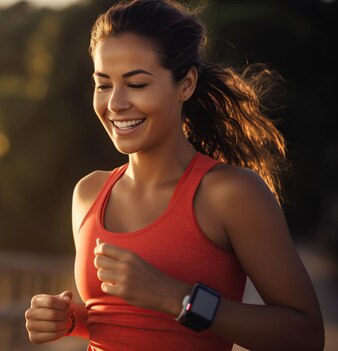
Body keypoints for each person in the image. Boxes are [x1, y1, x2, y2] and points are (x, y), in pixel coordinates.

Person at [24, 0, 325, 350]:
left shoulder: (229, 193)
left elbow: (306, 336)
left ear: (185, 84)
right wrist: (72, 319)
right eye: (103, 85)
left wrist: (178, 297)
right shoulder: (88, 193)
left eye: (136, 84)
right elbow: (122, 322)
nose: (115, 104)